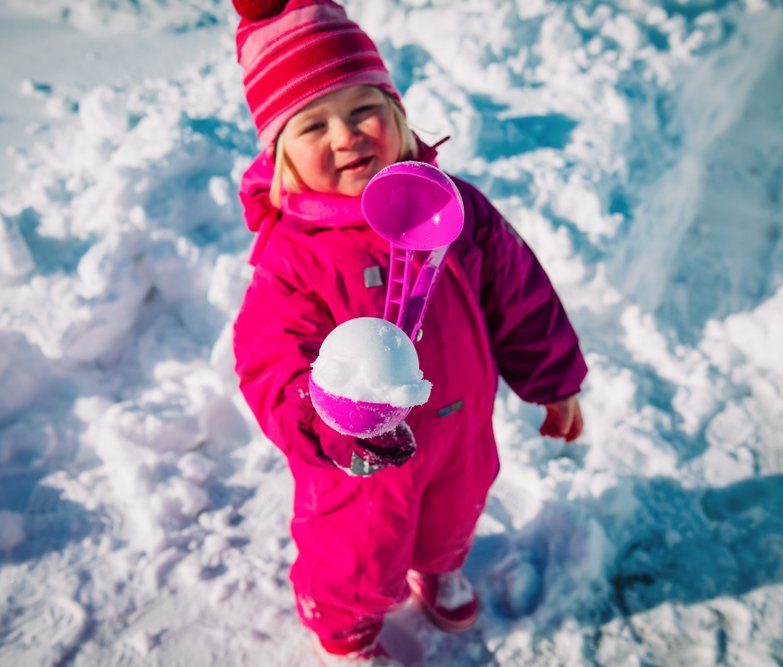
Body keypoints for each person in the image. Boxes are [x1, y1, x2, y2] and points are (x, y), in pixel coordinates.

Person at [229, 1, 587, 664]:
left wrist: (554, 380)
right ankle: (345, 633)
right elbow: (268, 362)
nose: (345, 135)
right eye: (312, 124)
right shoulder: (294, 257)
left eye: (363, 108)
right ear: (279, 156)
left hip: (458, 429)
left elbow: (520, 296)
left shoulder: (453, 210)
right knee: (356, 555)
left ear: (396, 114)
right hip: (360, 463)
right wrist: (326, 419)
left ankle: (439, 566)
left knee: (455, 515)